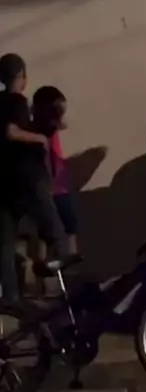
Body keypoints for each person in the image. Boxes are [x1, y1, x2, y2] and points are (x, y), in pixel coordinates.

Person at [0, 54, 68, 301]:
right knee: (56, 234)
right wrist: (39, 139)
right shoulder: (17, 101)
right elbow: (11, 131)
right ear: (21, 76)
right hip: (27, 178)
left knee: (5, 244)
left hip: (5, 181)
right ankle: (54, 285)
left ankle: (10, 297)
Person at [32, 86, 78, 258]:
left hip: (54, 188)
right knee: (60, 232)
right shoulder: (42, 133)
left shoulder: (42, 130)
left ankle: (64, 265)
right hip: (53, 189)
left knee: (59, 231)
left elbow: (63, 123)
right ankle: (60, 267)